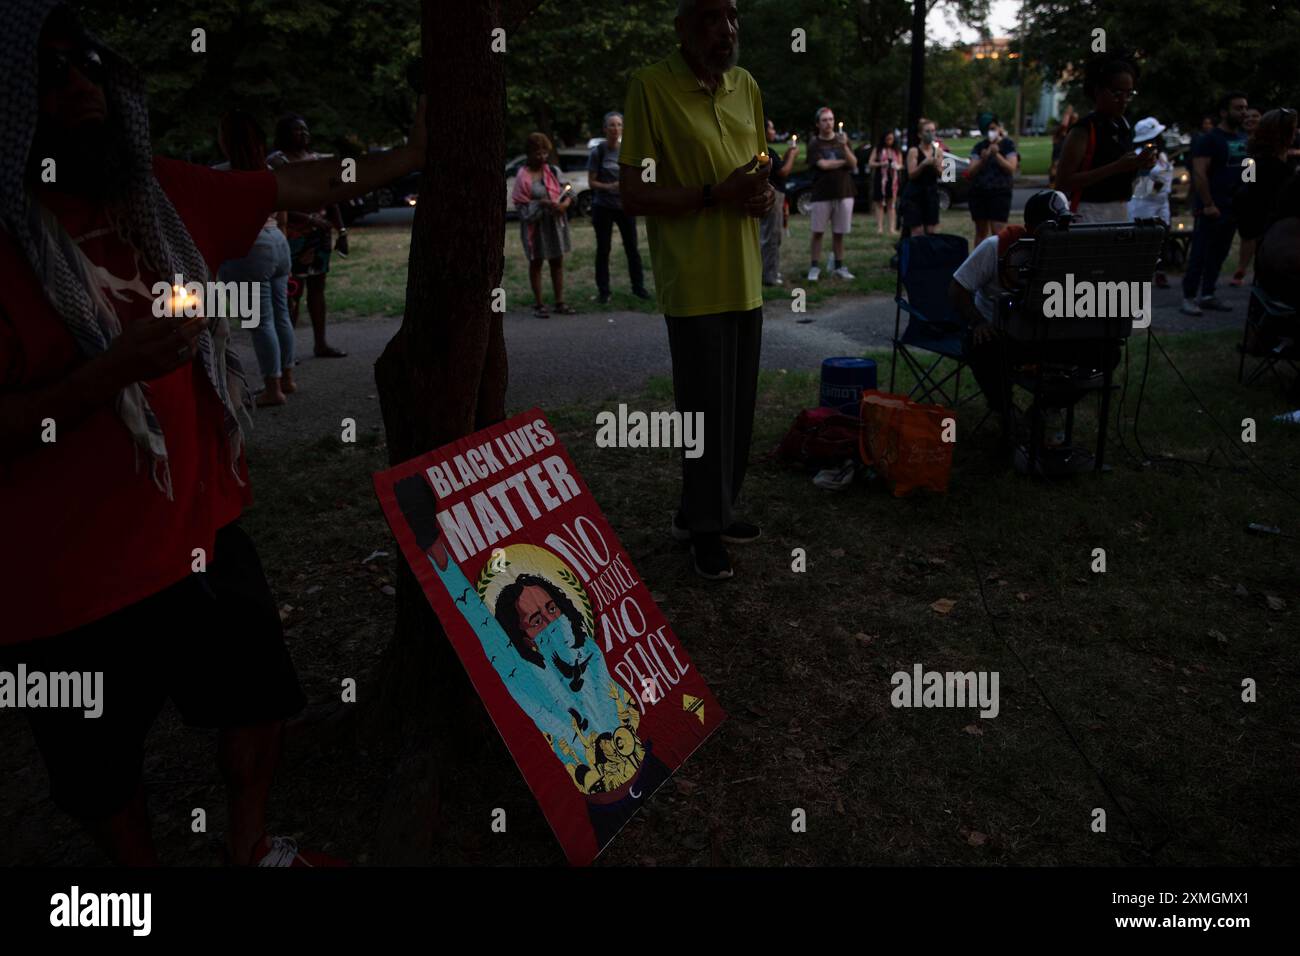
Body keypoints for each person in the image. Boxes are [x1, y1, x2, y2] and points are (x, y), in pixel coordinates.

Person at [0, 0, 425, 866]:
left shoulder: (157, 195)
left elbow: (304, 184)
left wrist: (417, 148)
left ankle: (252, 849)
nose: (81, 87)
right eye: (51, 74)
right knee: (100, 771)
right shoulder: (6, 243)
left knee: (256, 698)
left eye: (88, 65)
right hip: (63, 582)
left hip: (200, 534)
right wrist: (110, 371)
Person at [619, 0, 774, 580]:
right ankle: (703, 530)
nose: (725, 29)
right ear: (682, 27)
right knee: (704, 412)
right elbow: (634, 193)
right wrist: (715, 194)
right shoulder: (650, 88)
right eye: (710, 18)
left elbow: (757, 165)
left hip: (745, 274)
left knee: (737, 408)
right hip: (693, 280)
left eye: (732, 16)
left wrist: (763, 192)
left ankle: (712, 509)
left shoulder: (746, 85)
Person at [950, 190, 1120, 425]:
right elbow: (958, 288)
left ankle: (1046, 408)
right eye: (1055, 225)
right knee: (980, 346)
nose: (1062, 231)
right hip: (1003, 335)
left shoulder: (1070, 250)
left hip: (1048, 334)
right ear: (1032, 227)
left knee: (1107, 352)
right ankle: (1005, 411)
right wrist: (978, 322)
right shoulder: (995, 247)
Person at [215, 110, 296, 406]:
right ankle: (287, 378)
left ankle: (273, 389)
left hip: (247, 251)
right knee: (281, 315)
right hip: (277, 242)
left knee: (260, 322)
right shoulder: (270, 169)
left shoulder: (220, 175)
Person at [266, 113, 347, 358]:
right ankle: (287, 352)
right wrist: (309, 219)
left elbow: (330, 198)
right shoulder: (276, 163)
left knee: (317, 288)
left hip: (319, 235)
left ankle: (320, 343)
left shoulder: (317, 160)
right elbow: (275, 201)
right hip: (291, 234)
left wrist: (341, 230)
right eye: (297, 130)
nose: (304, 134)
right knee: (292, 291)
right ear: (284, 135)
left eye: (306, 129)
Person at [1055, 55, 1155, 223]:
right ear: (1098, 91)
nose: (1123, 101)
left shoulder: (1123, 127)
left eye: (1129, 94)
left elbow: (1123, 178)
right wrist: (1115, 167)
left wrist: (1139, 165)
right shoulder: (1085, 129)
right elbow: (1063, 182)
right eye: (1117, 93)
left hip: (1121, 211)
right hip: (1088, 214)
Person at [1180, 90, 1250, 316]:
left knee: (1220, 253)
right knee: (1200, 253)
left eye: (1244, 108)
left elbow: (1249, 169)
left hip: (1234, 207)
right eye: (1238, 108)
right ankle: (1189, 297)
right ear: (1224, 112)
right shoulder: (1209, 139)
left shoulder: (1244, 139)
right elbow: (1200, 173)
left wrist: (1248, 193)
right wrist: (1208, 203)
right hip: (1211, 207)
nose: (1243, 112)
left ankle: (1208, 294)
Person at [1231, 107, 1299, 287]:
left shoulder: (1254, 160)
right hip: (1272, 233)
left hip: (1260, 228)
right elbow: (1247, 191)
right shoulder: (1280, 170)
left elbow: (1244, 188)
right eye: (1293, 128)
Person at [587, 111, 649, 304]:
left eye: (619, 125)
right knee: (603, 249)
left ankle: (639, 289)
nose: (615, 129)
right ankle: (604, 292)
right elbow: (591, 183)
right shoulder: (598, 152)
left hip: (624, 206)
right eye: (611, 125)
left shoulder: (627, 152)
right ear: (605, 129)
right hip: (603, 207)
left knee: (632, 248)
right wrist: (610, 187)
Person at [513, 132, 576, 318]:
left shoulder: (553, 171)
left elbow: (569, 192)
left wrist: (563, 205)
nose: (542, 157)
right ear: (529, 153)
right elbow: (521, 207)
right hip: (536, 228)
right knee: (536, 262)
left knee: (557, 262)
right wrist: (542, 203)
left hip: (554, 225)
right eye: (537, 153)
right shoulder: (522, 176)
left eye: (544, 153)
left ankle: (559, 302)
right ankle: (539, 304)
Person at [805, 107, 857, 281]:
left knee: (839, 233)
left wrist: (844, 148)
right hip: (821, 193)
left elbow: (854, 163)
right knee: (818, 232)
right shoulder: (814, 144)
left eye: (831, 119)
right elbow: (823, 165)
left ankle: (839, 266)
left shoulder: (843, 140)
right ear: (818, 123)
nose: (829, 123)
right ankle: (814, 267)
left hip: (844, 191)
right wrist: (843, 162)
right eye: (825, 120)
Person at [1127, 116, 1174, 288]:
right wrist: (1157, 185)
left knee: (1163, 238)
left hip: (1162, 204)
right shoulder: (1139, 156)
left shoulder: (1161, 154)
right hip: (1143, 205)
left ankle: (1160, 271)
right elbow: (1139, 186)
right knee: (1144, 239)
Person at [967, 116, 1019, 244]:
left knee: (998, 231)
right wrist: (982, 160)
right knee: (981, 231)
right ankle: (979, 261)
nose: (990, 132)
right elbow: (971, 171)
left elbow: (1011, 168)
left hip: (1000, 192)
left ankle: (999, 262)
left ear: (999, 128)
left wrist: (997, 155)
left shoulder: (1008, 145)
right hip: (979, 192)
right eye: (987, 130)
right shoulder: (979, 147)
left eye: (993, 128)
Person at [760, 117, 798, 285]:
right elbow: (782, 172)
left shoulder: (765, 149)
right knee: (772, 236)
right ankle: (770, 276)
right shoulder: (763, 150)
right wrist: (793, 156)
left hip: (775, 195)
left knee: (772, 235)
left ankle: (770, 272)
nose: (774, 132)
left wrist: (789, 153)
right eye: (772, 128)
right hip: (773, 195)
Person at [900, 117, 943, 236]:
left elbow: (946, 175)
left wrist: (936, 166)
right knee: (917, 231)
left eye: (933, 131)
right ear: (920, 134)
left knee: (930, 231)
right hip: (915, 195)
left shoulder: (938, 151)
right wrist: (923, 164)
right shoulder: (914, 151)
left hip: (931, 193)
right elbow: (911, 175)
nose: (931, 134)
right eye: (927, 131)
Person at [869, 129, 902, 235]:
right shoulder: (878, 150)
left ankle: (892, 228)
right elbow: (871, 163)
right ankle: (880, 228)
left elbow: (901, 164)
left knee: (891, 204)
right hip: (880, 178)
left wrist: (897, 166)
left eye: (891, 139)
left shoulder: (896, 151)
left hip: (893, 179)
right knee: (879, 203)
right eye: (887, 139)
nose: (889, 141)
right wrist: (881, 164)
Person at [1048, 104, 1076, 186]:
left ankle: (1055, 183)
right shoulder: (1060, 133)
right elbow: (1064, 125)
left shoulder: (1072, 132)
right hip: (1058, 154)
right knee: (1055, 167)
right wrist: (1068, 113)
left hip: (1063, 155)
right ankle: (1053, 183)